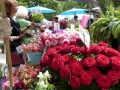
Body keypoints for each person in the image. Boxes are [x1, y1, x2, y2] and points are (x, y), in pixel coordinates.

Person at [5, 0, 34, 71]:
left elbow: (18, 32)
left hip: (18, 47)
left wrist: (28, 26)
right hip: (13, 49)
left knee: (21, 67)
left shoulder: (13, 19)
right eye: (15, 6)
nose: (17, 8)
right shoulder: (7, 20)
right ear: (9, 8)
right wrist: (21, 37)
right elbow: (7, 37)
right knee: (16, 70)